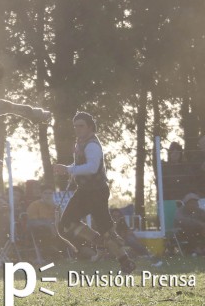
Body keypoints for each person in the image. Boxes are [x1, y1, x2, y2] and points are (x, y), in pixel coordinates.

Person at [53, 112, 135, 274]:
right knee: (67, 223)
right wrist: (68, 168)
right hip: (84, 191)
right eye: (75, 126)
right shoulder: (81, 143)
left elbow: (91, 168)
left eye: (81, 126)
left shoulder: (92, 145)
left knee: (107, 230)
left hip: (97, 192)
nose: (77, 129)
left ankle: (125, 262)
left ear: (90, 127)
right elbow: (82, 165)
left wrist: (68, 170)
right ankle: (100, 243)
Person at [26, 188, 67, 265]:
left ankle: (62, 254)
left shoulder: (55, 206)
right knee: (45, 230)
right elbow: (33, 221)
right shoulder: (34, 205)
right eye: (45, 193)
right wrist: (50, 225)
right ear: (41, 194)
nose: (48, 195)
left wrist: (57, 209)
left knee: (66, 229)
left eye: (50, 193)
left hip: (53, 228)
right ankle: (50, 254)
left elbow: (61, 219)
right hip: (37, 229)